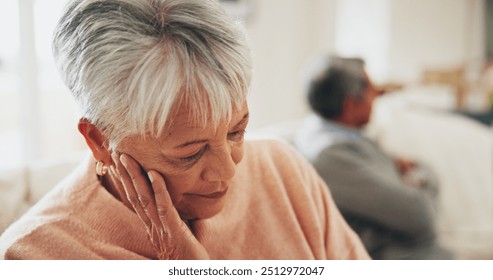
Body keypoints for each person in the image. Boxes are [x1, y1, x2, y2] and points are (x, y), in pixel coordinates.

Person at [0, 0, 369, 260]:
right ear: (99, 141)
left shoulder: (283, 169)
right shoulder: (34, 256)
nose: (228, 170)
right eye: (190, 152)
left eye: (236, 131)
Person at [294, 55, 453, 259]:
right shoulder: (332, 157)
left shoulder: (334, 137)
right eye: (371, 90)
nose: (376, 96)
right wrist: (422, 176)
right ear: (350, 105)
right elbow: (422, 218)